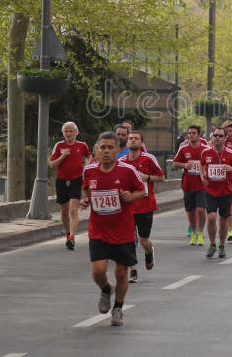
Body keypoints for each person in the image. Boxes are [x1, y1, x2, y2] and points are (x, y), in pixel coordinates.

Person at [80, 132, 145, 326]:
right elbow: (85, 188)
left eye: (110, 148)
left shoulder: (127, 171)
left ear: (117, 150)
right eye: (103, 147)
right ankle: (106, 290)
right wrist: (86, 200)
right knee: (98, 271)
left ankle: (118, 307)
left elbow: (142, 191)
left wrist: (131, 197)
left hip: (123, 230)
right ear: (97, 150)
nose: (106, 151)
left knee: (121, 273)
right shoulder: (89, 171)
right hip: (98, 229)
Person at [119, 131, 164, 284]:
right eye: (130, 138)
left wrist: (147, 177)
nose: (132, 140)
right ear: (127, 143)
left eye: (136, 138)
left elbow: (161, 177)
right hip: (128, 207)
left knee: (143, 239)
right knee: (129, 239)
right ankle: (133, 270)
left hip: (145, 205)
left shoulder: (148, 159)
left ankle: (149, 252)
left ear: (141, 143)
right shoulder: (122, 162)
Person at [201, 128, 232, 258]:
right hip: (210, 191)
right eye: (215, 135)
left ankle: (221, 245)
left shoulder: (231, 154)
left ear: (225, 138)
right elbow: (201, 164)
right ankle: (212, 244)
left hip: (225, 191)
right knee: (211, 217)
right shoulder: (206, 152)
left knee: (223, 220)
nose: (217, 138)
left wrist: (231, 168)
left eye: (220, 136)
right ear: (212, 137)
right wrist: (202, 177)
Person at [49, 121, 91, 250]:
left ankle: (72, 238)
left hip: (76, 180)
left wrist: (87, 163)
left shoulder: (82, 145)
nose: (68, 133)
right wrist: (63, 155)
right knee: (64, 212)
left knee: (73, 210)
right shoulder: (59, 145)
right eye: (66, 131)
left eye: (70, 131)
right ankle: (68, 233)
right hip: (62, 181)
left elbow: (89, 155)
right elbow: (51, 164)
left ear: (76, 132)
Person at [172, 125, 207, 245]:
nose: (191, 135)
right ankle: (193, 233)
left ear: (198, 135)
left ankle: (201, 233)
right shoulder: (183, 149)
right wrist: (184, 165)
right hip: (188, 184)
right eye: (189, 133)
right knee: (191, 211)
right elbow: (175, 164)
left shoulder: (205, 149)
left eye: (193, 133)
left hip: (202, 185)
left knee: (201, 210)